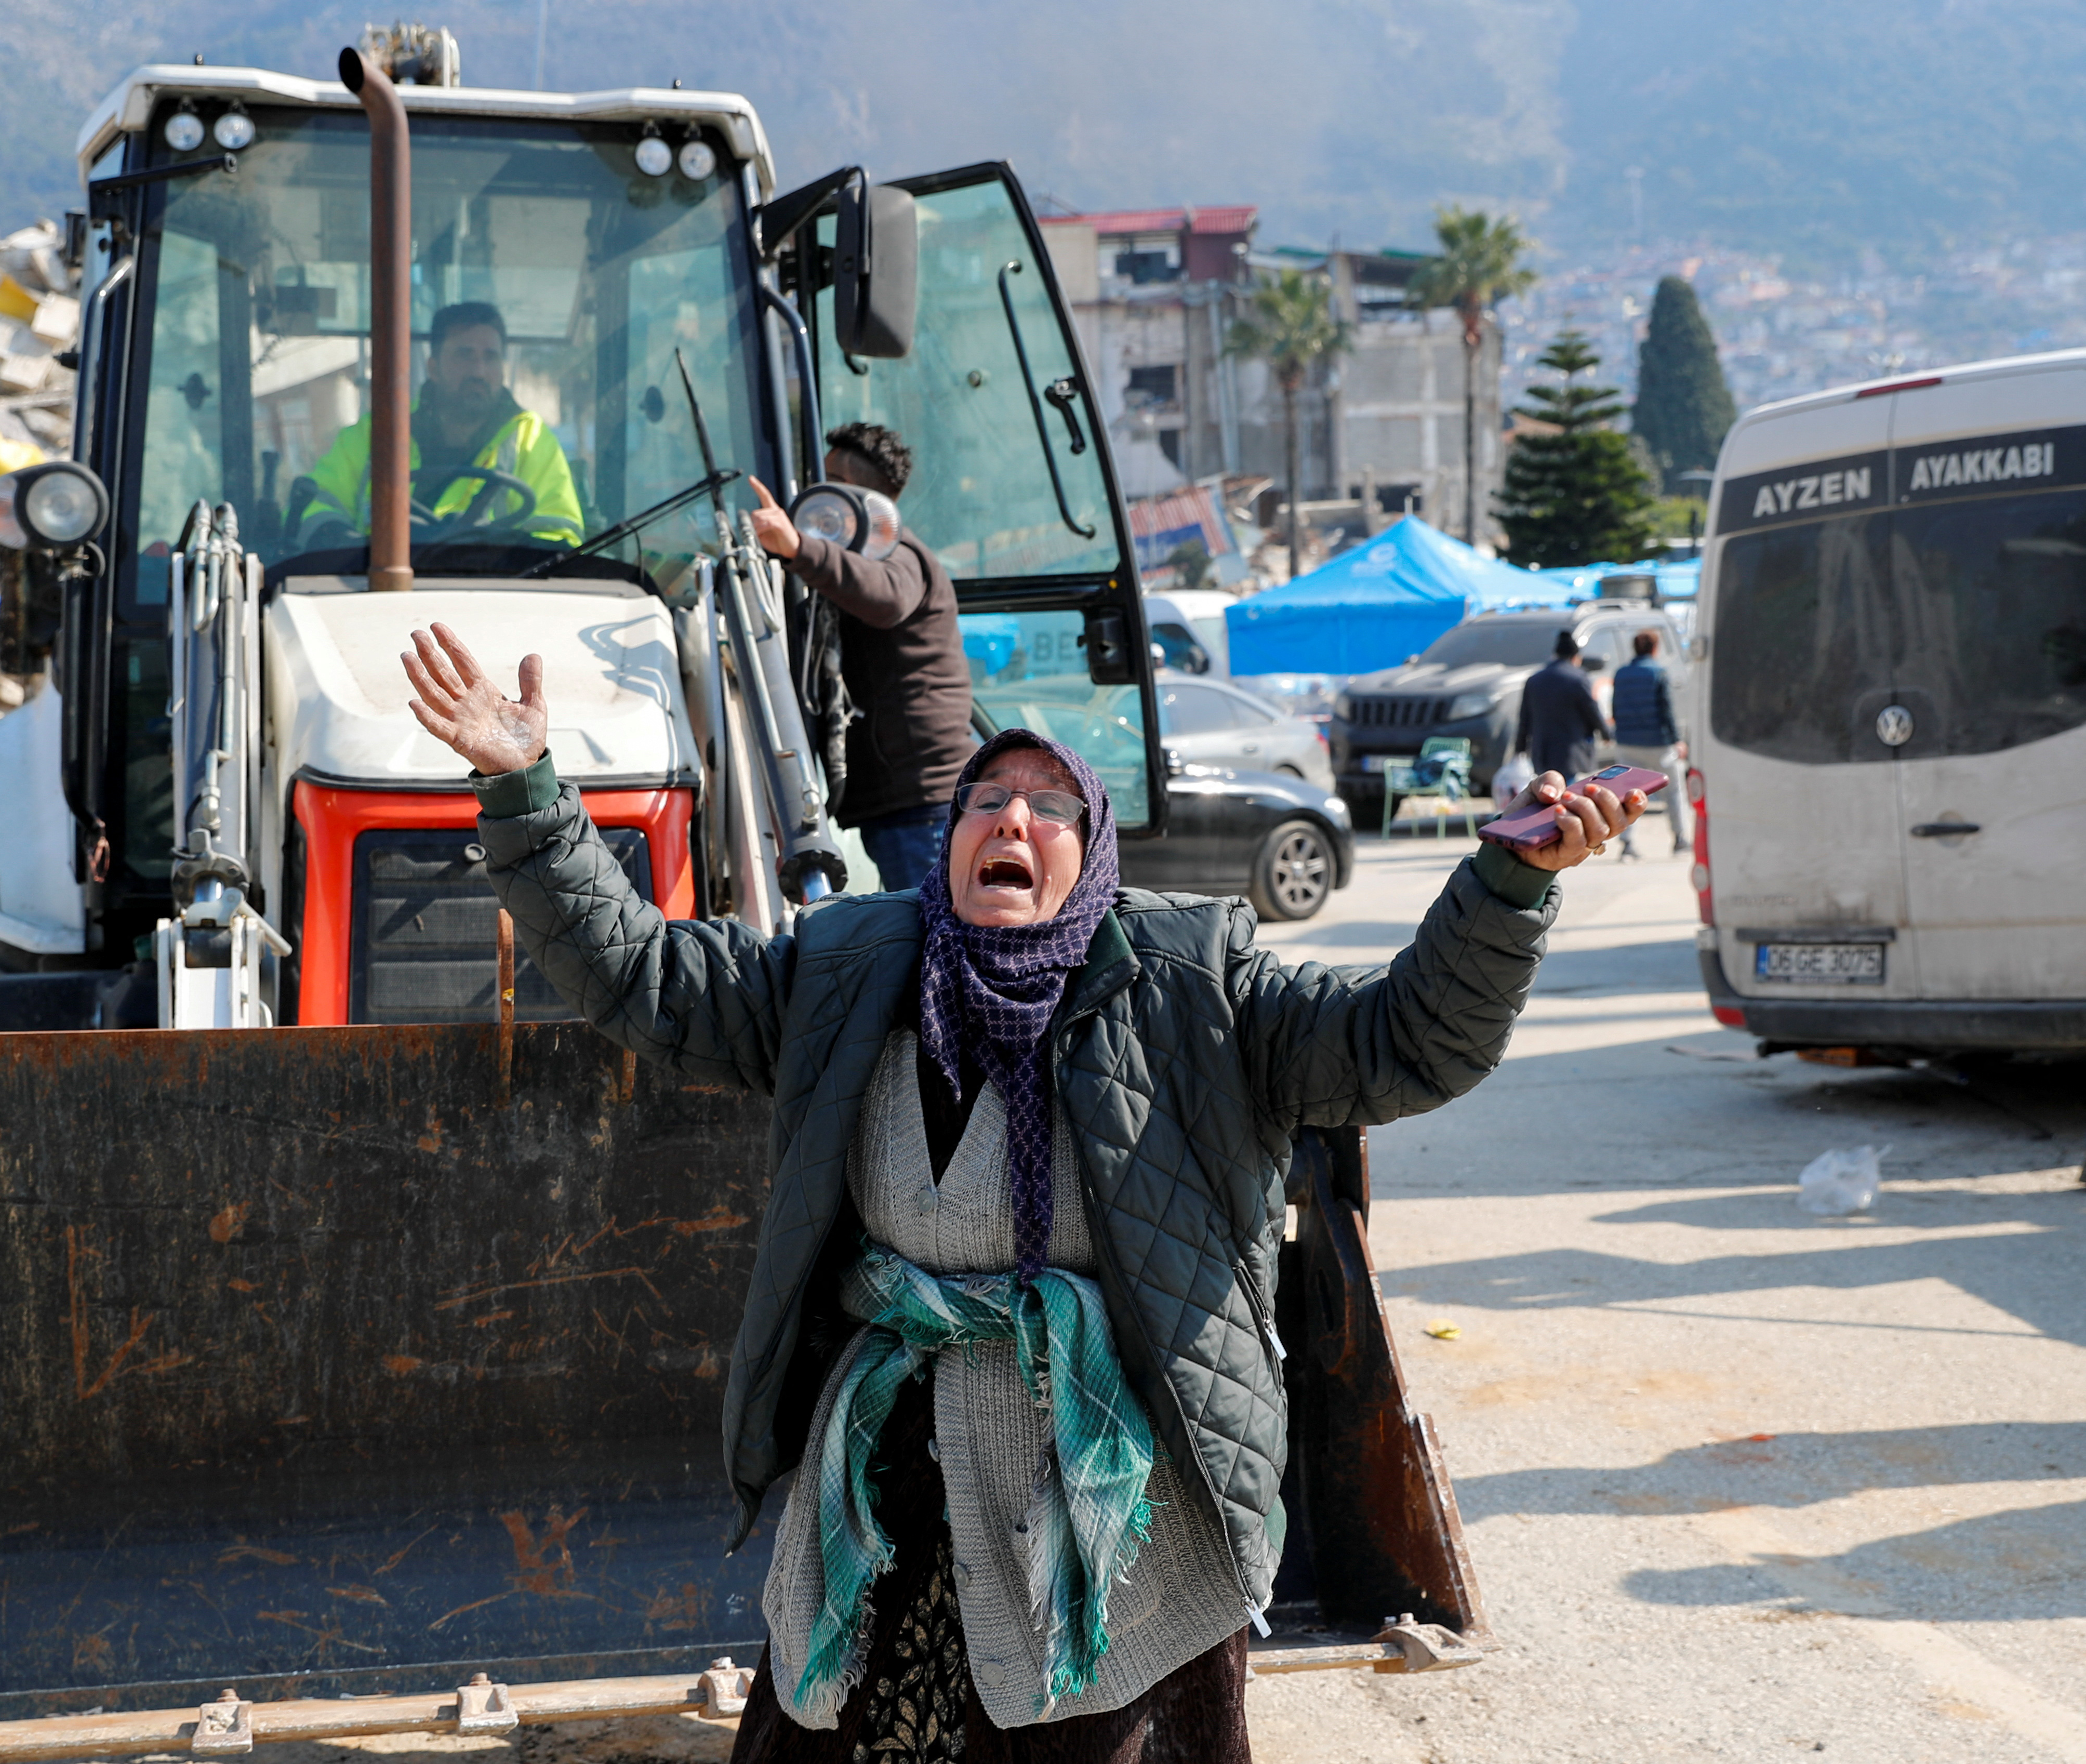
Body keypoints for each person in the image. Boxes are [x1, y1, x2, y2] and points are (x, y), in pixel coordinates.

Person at [398, 617, 1641, 1761]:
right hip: (888, 1475)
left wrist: (1503, 893)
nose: (1012, 820)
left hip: (1119, 1504)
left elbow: (1402, 1041)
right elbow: (645, 981)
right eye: (985, 801)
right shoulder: (850, 969)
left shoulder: (1192, 980)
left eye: (1050, 808)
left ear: (1090, 853)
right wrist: (526, 793)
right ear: (947, 846)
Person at [746, 423, 974, 892]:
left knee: (935, 941)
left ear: (860, 498)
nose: (815, 492)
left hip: (921, 803)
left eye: (829, 480)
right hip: (903, 803)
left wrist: (798, 548)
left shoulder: (903, 557)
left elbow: (886, 597)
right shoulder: (867, 559)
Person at [304, 301, 584, 546]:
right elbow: (315, 505)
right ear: (434, 368)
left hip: (497, 597)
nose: (479, 371)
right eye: (465, 355)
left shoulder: (530, 440)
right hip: (378, 593)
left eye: (491, 358)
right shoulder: (377, 433)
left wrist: (498, 549)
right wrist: (338, 539)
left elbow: (560, 536)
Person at [1607, 628, 1689, 860]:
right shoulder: (1659, 673)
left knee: (1627, 794)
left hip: (1628, 743)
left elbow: (1615, 708)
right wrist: (1677, 741)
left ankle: (1626, 844)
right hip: (1658, 744)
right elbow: (1667, 712)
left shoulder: (1621, 674)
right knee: (1673, 792)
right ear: (1655, 648)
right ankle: (1680, 839)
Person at [1513, 628, 1606, 786]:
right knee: (1569, 794)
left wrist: (1520, 749)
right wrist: (1606, 733)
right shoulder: (1578, 679)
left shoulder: (1534, 680)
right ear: (1575, 658)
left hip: (1543, 752)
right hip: (1571, 752)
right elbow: (1592, 711)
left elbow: (1524, 719)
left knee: (1548, 791)